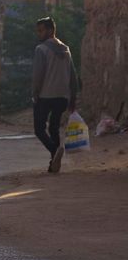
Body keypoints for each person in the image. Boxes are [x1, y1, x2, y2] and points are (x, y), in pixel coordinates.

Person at [32, 17, 78, 173]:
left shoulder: (41, 49)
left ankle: (54, 150)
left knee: (39, 129)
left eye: (41, 30)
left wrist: (35, 93)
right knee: (53, 128)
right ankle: (54, 163)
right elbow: (73, 76)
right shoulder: (66, 49)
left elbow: (38, 75)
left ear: (51, 31)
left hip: (45, 96)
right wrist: (73, 97)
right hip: (62, 97)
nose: (39, 34)